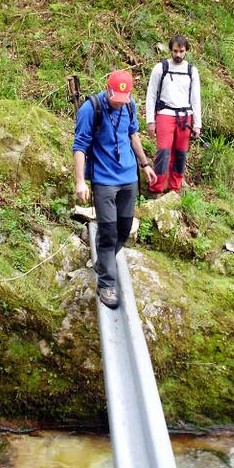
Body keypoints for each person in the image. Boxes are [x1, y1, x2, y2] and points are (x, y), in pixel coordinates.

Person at [73, 70, 156, 309]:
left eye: (123, 101)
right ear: (108, 90)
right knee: (108, 232)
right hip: (104, 180)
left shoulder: (129, 107)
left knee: (123, 228)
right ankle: (106, 284)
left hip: (129, 177)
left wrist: (145, 165)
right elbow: (79, 146)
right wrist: (80, 181)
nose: (119, 104)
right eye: (116, 100)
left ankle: (104, 260)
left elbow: (132, 134)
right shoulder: (91, 109)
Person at [145, 35, 202, 195]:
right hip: (165, 114)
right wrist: (150, 120)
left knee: (180, 153)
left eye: (181, 51)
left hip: (185, 117)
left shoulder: (192, 71)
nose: (178, 54)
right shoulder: (160, 68)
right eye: (175, 51)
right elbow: (151, 95)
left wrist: (197, 123)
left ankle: (174, 188)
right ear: (171, 50)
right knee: (163, 152)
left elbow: (196, 98)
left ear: (186, 51)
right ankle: (156, 188)